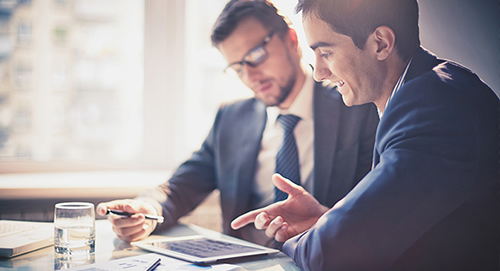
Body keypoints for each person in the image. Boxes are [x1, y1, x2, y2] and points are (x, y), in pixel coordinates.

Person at [231, 0, 500, 269]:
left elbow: (330, 253)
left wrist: (314, 237)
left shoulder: (434, 111)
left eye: (326, 53)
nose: (319, 73)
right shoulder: (426, 93)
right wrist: (326, 220)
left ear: (381, 43)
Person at [96, 0, 379, 247]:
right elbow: (181, 185)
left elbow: (375, 214)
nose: (251, 76)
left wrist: (323, 221)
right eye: (238, 68)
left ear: (292, 39)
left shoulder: (355, 106)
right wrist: (146, 210)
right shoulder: (232, 118)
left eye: (255, 56)